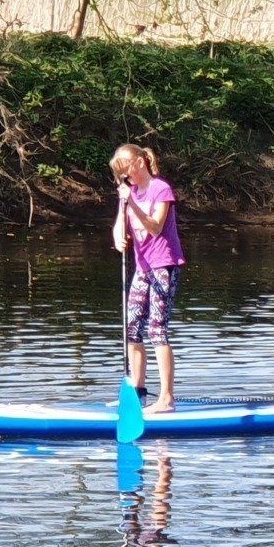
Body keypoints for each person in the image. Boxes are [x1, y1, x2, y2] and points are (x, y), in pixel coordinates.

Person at [111, 143, 184, 412]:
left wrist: (133, 205)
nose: (124, 178)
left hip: (164, 266)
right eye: (120, 175)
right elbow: (121, 224)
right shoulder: (129, 194)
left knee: (157, 330)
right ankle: (137, 393)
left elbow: (154, 228)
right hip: (142, 268)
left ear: (139, 163)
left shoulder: (160, 189)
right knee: (132, 328)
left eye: (125, 171)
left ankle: (166, 398)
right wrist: (118, 233)